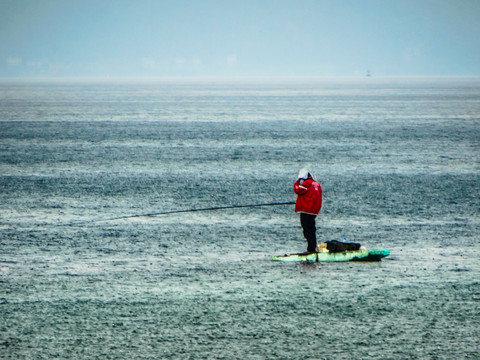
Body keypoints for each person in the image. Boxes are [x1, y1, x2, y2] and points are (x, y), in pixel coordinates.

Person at [293, 169, 322, 253]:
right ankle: (313, 246)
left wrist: (297, 181)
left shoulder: (306, 184)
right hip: (314, 211)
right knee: (312, 229)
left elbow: (297, 189)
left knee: (307, 229)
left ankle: (311, 249)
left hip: (306, 210)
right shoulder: (317, 184)